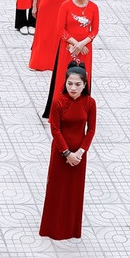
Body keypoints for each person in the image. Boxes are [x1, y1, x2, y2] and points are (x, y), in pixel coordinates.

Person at [39, 65, 95, 240]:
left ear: (84, 85)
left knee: (74, 191)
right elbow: (55, 130)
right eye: (70, 83)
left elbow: (91, 130)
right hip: (60, 153)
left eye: (77, 84)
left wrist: (80, 152)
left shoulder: (89, 103)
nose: (73, 88)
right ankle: (52, 228)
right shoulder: (58, 102)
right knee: (57, 188)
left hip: (79, 155)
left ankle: (71, 229)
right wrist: (66, 153)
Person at [42, 0, 99, 118]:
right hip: (67, 48)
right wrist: (75, 43)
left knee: (83, 77)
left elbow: (94, 30)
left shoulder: (93, 7)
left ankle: (80, 112)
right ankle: (58, 110)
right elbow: (61, 29)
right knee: (64, 76)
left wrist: (82, 44)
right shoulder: (65, 5)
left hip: (85, 49)